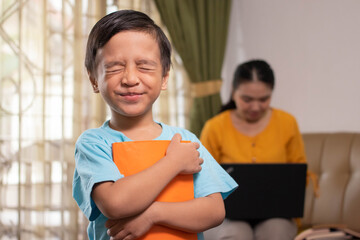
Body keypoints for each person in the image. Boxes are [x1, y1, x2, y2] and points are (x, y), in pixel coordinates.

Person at [72, 10, 238, 240]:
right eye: (115, 67)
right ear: (93, 79)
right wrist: (173, 162)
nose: (130, 78)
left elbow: (214, 211)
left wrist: (154, 214)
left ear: (164, 77)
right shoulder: (93, 143)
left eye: (144, 66)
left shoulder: (185, 141)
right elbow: (114, 203)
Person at [200, 59, 306, 240]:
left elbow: (299, 173)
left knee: (275, 233)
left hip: (277, 215)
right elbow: (202, 179)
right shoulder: (215, 127)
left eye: (264, 99)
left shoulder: (288, 123)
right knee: (236, 234)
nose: (256, 107)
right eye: (247, 99)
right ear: (233, 93)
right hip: (226, 216)